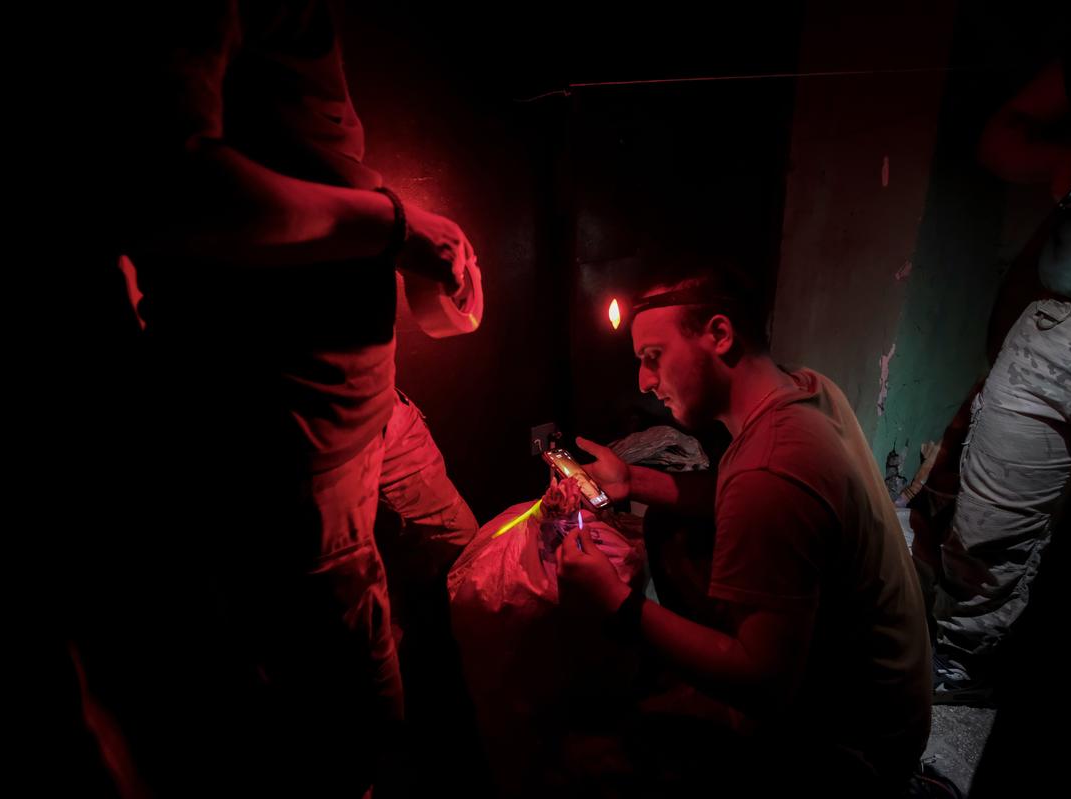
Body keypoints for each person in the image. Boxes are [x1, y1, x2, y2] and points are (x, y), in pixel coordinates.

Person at [108, 2, 480, 794]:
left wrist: (408, 237)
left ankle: (475, 744)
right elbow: (171, 186)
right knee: (357, 724)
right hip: (298, 445)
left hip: (373, 406)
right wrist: (395, 227)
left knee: (470, 565)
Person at [556, 265, 931, 796]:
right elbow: (735, 491)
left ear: (719, 334)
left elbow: (764, 681)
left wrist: (617, 602)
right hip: (892, 706)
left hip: (858, 743)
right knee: (672, 525)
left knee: (589, 757)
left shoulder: (772, 465)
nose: (643, 381)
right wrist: (631, 480)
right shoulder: (805, 389)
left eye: (652, 359)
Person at [932, 50, 1071, 699]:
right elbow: (1002, 138)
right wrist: (1065, 162)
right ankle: (963, 656)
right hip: (1066, 323)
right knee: (988, 522)